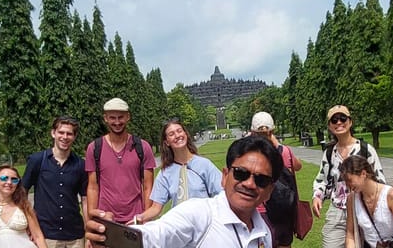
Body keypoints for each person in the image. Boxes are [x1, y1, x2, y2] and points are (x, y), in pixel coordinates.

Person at [85, 134, 282, 247]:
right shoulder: (200, 213)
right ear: (224, 176)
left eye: (261, 179)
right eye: (240, 173)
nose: (249, 183)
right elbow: (158, 234)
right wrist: (114, 237)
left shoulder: (263, 232)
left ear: (269, 190)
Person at [313, 105, 386, 248]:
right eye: (334, 120)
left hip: (363, 208)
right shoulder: (329, 153)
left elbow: (380, 180)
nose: (339, 122)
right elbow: (323, 179)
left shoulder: (365, 150)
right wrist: (317, 196)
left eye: (342, 118)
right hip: (338, 210)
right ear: (329, 126)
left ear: (350, 122)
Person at [134, 118, 222, 223]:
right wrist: (139, 218)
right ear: (167, 142)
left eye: (179, 131)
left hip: (205, 225)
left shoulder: (204, 165)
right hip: (180, 228)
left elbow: (222, 194)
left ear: (185, 134)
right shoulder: (165, 173)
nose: (177, 136)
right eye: (171, 134)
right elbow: (156, 208)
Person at [85, 97, 156, 224]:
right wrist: (92, 222)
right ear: (105, 118)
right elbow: (92, 187)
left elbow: (148, 187)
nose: (117, 122)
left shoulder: (142, 147)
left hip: (135, 219)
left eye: (120, 117)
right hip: (106, 219)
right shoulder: (95, 148)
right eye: (112, 118)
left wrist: (145, 218)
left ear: (128, 117)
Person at [22, 116, 88, 248]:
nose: (65, 137)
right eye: (61, 132)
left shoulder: (81, 165)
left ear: (74, 137)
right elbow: (21, 193)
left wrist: (89, 231)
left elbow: (85, 200)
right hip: (46, 235)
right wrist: (29, 222)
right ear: (53, 133)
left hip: (75, 236)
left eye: (69, 133)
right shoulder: (37, 160)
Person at [251, 111, 302, 248]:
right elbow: (298, 166)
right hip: (284, 207)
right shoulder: (284, 151)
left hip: (261, 209)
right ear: (272, 131)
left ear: (252, 132)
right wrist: (278, 144)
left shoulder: (252, 154)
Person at [343, 155, 393, 248]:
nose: (348, 185)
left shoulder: (391, 195)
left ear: (363, 174)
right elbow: (350, 234)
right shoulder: (352, 199)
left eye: (349, 180)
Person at [0, 165, 48, 248]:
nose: (9, 182)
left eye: (14, 180)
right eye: (4, 178)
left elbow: (38, 236)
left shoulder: (24, 206)